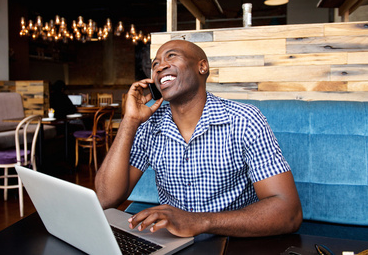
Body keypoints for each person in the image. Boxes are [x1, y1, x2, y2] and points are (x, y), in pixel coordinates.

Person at [95, 40, 303, 238]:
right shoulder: (149, 126)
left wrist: (198, 221)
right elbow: (106, 198)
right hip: (173, 242)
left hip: (234, 241)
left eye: (172, 56)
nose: (159, 67)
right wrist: (130, 121)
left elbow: (288, 212)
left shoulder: (244, 120)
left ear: (202, 67)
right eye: (155, 64)